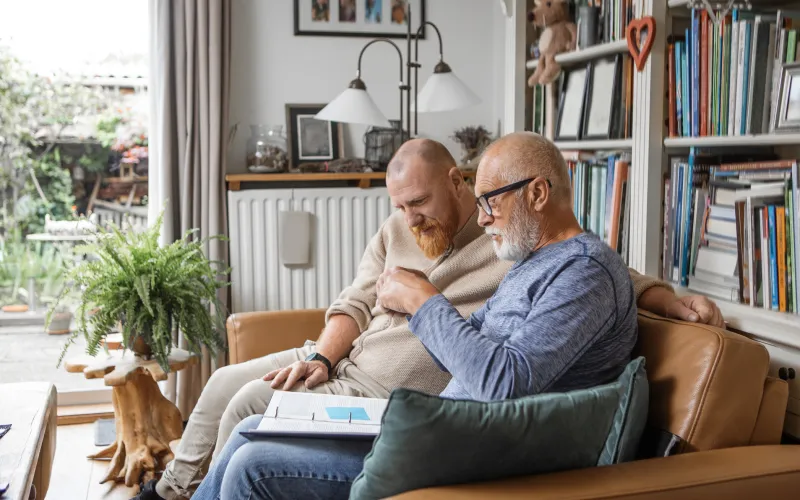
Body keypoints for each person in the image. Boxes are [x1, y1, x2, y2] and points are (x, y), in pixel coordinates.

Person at [134, 138, 723, 500]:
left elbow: (507, 375)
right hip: (425, 423)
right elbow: (380, 310)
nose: (488, 216)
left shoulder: (576, 269)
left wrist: (424, 303)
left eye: (495, 200)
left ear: (538, 193)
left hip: (453, 446)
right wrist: (332, 359)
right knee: (244, 430)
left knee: (252, 462)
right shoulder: (527, 262)